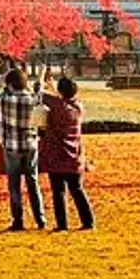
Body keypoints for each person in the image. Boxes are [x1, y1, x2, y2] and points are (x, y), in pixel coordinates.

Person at [0, 66, 46, 230]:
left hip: (11, 146)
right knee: (33, 182)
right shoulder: (33, 99)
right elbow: (40, 91)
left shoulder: (5, 99)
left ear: (10, 84)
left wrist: (0, 77)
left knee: (14, 185)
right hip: (30, 145)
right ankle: (40, 219)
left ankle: (18, 220)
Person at [37, 75, 95, 231]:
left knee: (58, 192)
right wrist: (54, 87)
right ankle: (88, 222)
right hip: (75, 157)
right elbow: (63, 100)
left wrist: (42, 79)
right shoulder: (78, 107)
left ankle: (62, 225)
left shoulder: (57, 106)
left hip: (57, 155)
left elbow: (38, 93)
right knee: (77, 190)